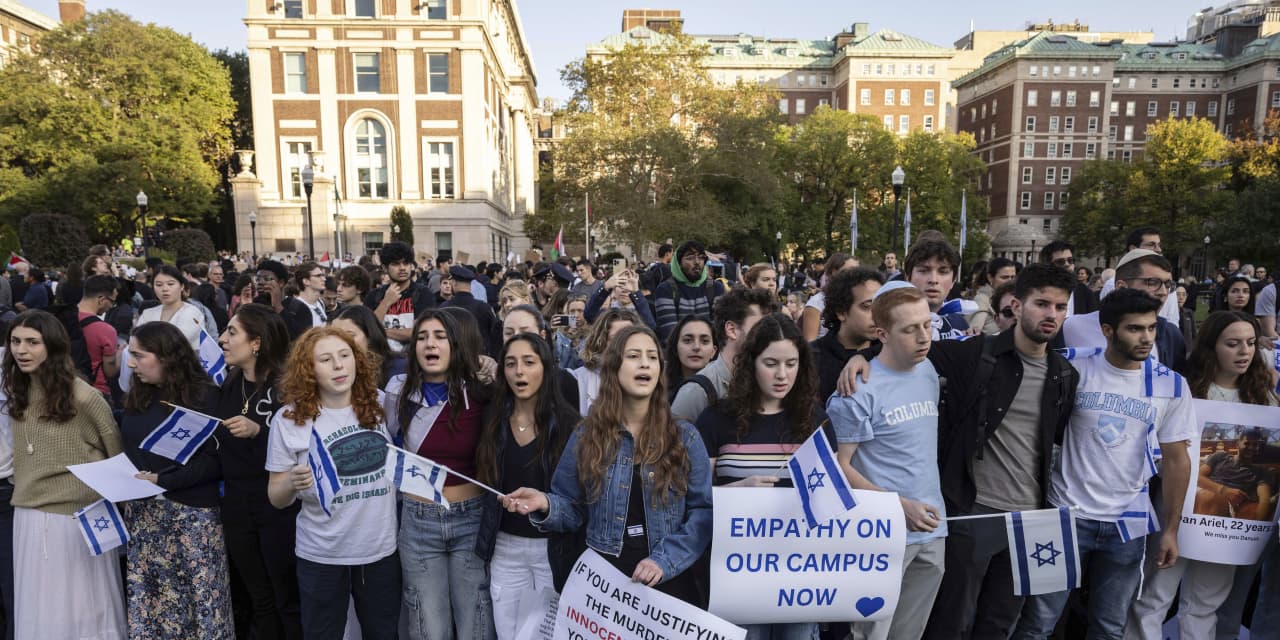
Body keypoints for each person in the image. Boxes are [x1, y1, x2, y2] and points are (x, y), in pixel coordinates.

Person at [1011, 288, 1196, 640]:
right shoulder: (1072, 365)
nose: (1146, 338)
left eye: (1152, 328)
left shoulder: (1170, 384)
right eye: (1134, 329)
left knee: (1109, 627)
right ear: (1108, 330)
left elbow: (1177, 462)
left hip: (1127, 524)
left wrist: (1170, 529)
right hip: (1061, 513)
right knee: (1036, 622)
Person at [504, 325, 714, 605]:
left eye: (652, 357)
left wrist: (664, 560)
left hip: (668, 584)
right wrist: (545, 503)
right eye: (634, 356)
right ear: (614, 367)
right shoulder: (586, 434)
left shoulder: (685, 437)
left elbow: (703, 513)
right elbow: (573, 508)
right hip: (604, 586)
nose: (644, 363)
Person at [1128, 312, 1279, 640]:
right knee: (1153, 596)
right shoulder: (1183, 388)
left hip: (1230, 525)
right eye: (1233, 343)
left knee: (1206, 603)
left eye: (1251, 343)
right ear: (1212, 347)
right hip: (1177, 510)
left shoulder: (1264, 396)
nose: (1244, 351)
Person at [695, 313, 827, 639]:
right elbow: (691, 495)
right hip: (737, 575)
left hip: (800, 576)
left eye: (791, 363)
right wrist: (735, 492)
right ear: (751, 363)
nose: (782, 374)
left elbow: (828, 498)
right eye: (771, 363)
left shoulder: (814, 419)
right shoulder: (716, 419)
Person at [827, 282, 945, 640]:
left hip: (933, 528)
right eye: (910, 329)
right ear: (882, 333)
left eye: (927, 325)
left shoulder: (927, 371)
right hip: (881, 535)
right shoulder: (856, 391)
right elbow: (838, 466)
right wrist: (898, 507)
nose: (923, 337)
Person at [266, 328, 400, 639]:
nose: (338, 366)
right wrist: (291, 482)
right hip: (321, 554)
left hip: (378, 551)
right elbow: (276, 497)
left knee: (383, 633)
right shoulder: (288, 418)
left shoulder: (381, 404)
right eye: (325, 359)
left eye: (344, 356)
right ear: (308, 369)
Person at [5, 310, 125, 639]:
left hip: (78, 521)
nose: (21, 350)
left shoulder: (84, 396)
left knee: (85, 612)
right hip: (28, 516)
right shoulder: (19, 390)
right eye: (15, 341)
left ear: (53, 346)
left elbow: (116, 457)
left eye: (32, 342)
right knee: (39, 611)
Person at [119, 321, 234, 638]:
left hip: (192, 518)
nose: (131, 363)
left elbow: (215, 463)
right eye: (131, 354)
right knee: (153, 607)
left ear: (167, 356)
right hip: (144, 518)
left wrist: (161, 479)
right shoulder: (138, 395)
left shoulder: (205, 396)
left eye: (139, 355)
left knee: (200, 606)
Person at [385, 310, 495, 639]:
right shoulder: (396, 390)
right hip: (418, 522)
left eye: (440, 336)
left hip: (472, 521)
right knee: (427, 627)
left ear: (457, 344)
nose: (429, 344)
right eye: (422, 337)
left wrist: (495, 367)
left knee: (476, 623)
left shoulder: (481, 389)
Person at [475, 335, 579, 640]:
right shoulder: (491, 421)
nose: (519, 371)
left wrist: (546, 503)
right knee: (509, 634)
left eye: (529, 362)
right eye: (510, 363)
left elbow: (580, 504)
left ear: (546, 368)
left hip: (553, 551)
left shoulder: (571, 426)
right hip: (505, 547)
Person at [214, 303, 301, 639]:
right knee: (258, 597)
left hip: (277, 506)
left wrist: (259, 432)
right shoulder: (230, 383)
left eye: (232, 332)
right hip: (237, 504)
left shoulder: (287, 387)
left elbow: (302, 447)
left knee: (286, 597)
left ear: (257, 343)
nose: (222, 339)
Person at [1060, 249, 1188, 373]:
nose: (1163, 292)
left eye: (1168, 285)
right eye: (1153, 282)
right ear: (1121, 287)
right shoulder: (1071, 327)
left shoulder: (1170, 335)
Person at [670, 287, 776, 422]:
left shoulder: (767, 382)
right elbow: (673, 441)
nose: (771, 336)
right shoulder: (696, 392)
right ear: (731, 330)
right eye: (761, 327)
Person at [812, 268, 884, 401]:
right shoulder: (811, 357)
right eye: (867, 307)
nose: (877, 314)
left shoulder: (890, 353)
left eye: (881, 305)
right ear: (841, 312)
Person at [501, 304, 581, 410]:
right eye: (509, 333)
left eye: (525, 332)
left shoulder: (564, 382)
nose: (516, 337)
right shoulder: (496, 382)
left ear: (542, 335)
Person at [365, 242, 435, 355]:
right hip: (382, 361)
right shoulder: (374, 296)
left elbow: (419, 332)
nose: (402, 268)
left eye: (406, 263)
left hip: (413, 360)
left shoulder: (423, 294)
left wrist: (382, 331)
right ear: (384, 267)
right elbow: (367, 330)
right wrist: (386, 302)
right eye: (396, 264)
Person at [571, 307, 642, 416]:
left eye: (629, 338)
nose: (624, 344)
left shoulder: (646, 379)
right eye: (616, 338)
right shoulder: (578, 379)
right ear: (601, 342)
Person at [654, 240, 728, 341]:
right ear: (678, 263)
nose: (697, 262)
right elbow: (669, 333)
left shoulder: (716, 288)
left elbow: (720, 328)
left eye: (701, 257)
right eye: (690, 257)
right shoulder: (665, 289)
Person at [901, 239, 971, 340]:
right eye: (923, 271)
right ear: (908, 277)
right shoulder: (891, 326)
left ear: (953, 281)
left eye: (943, 272)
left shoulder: (960, 324)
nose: (933, 280)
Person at [331, 304, 405, 388]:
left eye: (350, 336)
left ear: (369, 335)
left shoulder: (399, 367)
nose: (341, 341)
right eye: (335, 336)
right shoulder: (332, 369)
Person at [138, 264, 207, 350]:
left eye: (170, 284)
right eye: (159, 285)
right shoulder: (147, 314)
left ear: (182, 286)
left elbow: (174, 343)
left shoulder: (192, 312)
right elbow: (136, 342)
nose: (165, 289)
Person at [441, 265, 502, 357]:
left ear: (454, 283)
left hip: (451, 358)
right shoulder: (484, 307)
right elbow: (495, 333)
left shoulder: (443, 308)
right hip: (479, 359)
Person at [76, 275, 121, 396]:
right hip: (95, 390)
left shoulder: (62, 318)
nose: (111, 306)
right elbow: (110, 371)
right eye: (112, 301)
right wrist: (121, 354)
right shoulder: (106, 330)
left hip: (65, 386)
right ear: (101, 299)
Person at [801, 253, 858, 342]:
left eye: (857, 271)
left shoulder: (859, 301)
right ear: (833, 272)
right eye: (849, 271)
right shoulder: (816, 303)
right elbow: (810, 344)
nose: (855, 276)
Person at [253, 260, 312, 342]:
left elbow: (302, 341)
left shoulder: (299, 308)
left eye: (266, 279)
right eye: (258, 279)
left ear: (281, 283)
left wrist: (278, 307)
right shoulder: (254, 305)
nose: (260, 282)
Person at [664, 315, 717, 403]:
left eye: (704, 341)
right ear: (675, 348)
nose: (696, 347)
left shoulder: (724, 391)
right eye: (688, 340)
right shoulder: (659, 389)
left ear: (713, 351)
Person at [1041, 240, 1098, 317]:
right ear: (1048, 265)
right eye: (1060, 262)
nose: (1067, 264)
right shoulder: (1039, 291)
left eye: (1070, 260)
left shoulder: (1085, 293)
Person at [971, 257, 1019, 334]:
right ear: (990, 278)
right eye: (1004, 277)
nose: (1010, 281)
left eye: (1013, 277)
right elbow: (974, 331)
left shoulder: (1018, 297)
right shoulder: (981, 300)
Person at [292, 262, 329, 328]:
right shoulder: (297, 308)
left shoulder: (320, 302)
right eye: (318, 276)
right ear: (306, 281)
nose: (324, 279)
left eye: (323, 275)